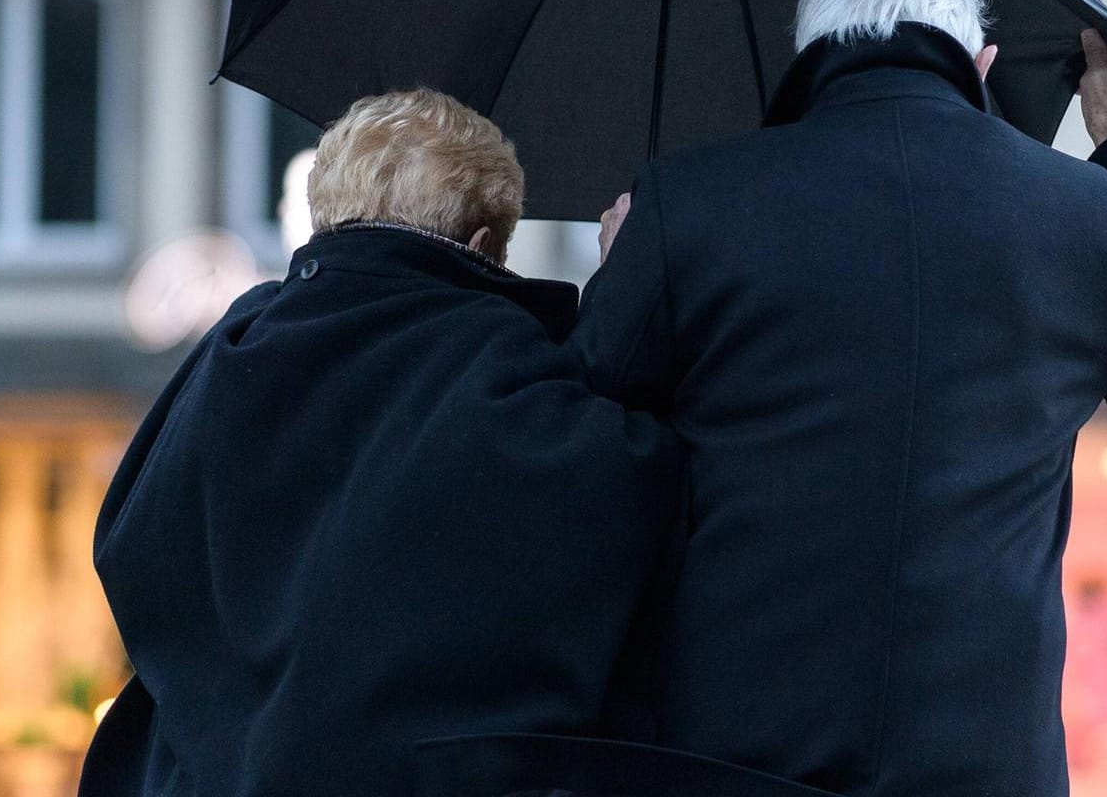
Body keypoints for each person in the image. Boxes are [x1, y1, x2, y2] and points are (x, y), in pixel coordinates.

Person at [504, 0, 1107, 796]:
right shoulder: (1080, 211)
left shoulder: (695, 201)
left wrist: (624, 269)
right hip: (987, 761)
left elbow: (587, 427)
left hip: (733, 751)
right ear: (978, 61)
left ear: (811, 55)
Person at [79, 89, 680, 797]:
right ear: (485, 246)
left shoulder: (235, 351)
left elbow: (131, 545)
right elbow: (634, 494)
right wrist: (627, 292)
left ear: (326, 216)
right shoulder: (497, 377)